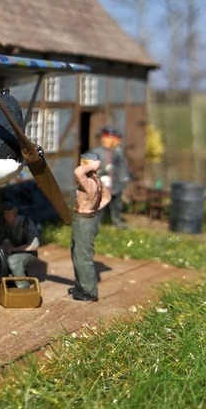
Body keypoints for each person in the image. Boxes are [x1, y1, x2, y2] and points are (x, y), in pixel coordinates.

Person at [69, 154, 111, 302]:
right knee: (76, 253)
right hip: (86, 218)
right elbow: (107, 197)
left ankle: (89, 291)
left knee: (82, 257)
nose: (80, 164)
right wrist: (94, 208)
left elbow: (77, 172)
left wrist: (91, 165)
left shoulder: (90, 183)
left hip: (83, 221)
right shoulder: (97, 181)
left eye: (82, 162)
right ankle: (81, 285)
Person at [88, 126, 130, 229]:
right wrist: (100, 171)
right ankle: (96, 223)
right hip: (102, 183)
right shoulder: (96, 152)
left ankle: (117, 221)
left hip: (115, 184)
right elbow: (89, 165)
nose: (112, 141)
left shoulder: (118, 152)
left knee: (116, 205)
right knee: (99, 205)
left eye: (115, 138)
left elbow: (122, 166)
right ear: (103, 138)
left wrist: (124, 177)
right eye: (110, 138)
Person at [0, 200, 41, 288]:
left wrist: (16, 249)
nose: (7, 216)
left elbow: (34, 245)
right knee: (2, 259)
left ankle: (24, 288)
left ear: (14, 213)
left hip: (30, 253)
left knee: (13, 261)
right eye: (5, 214)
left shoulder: (26, 223)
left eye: (10, 214)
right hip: (17, 252)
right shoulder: (5, 225)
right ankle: (12, 280)